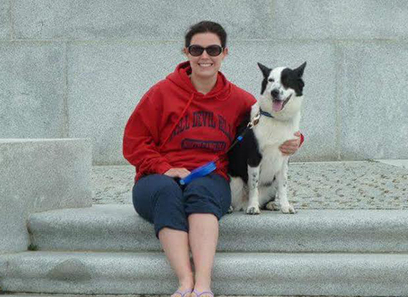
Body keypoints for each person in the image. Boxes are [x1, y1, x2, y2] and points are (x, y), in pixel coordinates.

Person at [122, 21, 303, 297]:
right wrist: (164, 168)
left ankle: (203, 287)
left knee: (202, 193)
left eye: (212, 49)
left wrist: (297, 140)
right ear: (186, 52)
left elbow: (273, 118)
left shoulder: (239, 99)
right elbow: (133, 142)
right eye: (196, 49)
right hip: (157, 177)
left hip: (210, 177)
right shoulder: (161, 93)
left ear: (224, 54)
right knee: (166, 194)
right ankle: (185, 283)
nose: (204, 56)